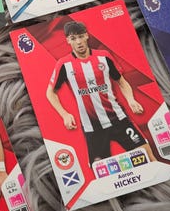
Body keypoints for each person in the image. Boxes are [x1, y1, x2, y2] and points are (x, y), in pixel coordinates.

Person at [46, 21, 157, 166]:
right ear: (68, 40)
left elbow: (121, 82)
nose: (78, 42)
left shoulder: (104, 57)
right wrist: (64, 114)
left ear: (87, 35)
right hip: (92, 128)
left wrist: (131, 100)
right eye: (73, 38)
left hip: (118, 119)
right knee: (101, 171)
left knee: (148, 158)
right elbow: (50, 92)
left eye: (81, 36)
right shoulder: (64, 64)